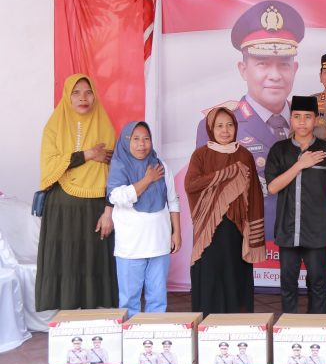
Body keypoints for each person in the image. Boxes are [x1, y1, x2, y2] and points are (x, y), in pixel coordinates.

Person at [195, 0, 305, 229]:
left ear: (294, 70)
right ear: (243, 70)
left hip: (301, 237)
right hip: (247, 238)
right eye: (263, 64)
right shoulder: (218, 125)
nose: (275, 75)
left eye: (284, 65)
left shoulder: (309, 120)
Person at [36, 74, 117, 311]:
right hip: (63, 207)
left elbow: (114, 172)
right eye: (76, 92)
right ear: (67, 97)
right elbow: (49, 165)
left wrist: (109, 211)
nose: (83, 98)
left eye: (88, 92)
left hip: (96, 206)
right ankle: (68, 319)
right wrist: (88, 154)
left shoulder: (104, 124)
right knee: (67, 259)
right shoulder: (54, 126)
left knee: (93, 260)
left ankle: (92, 319)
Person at [185, 107, 266, 315]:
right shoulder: (201, 154)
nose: (225, 130)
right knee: (210, 274)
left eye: (229, 125)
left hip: (236, 228)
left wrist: (253, 231)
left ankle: (235, 321)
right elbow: (191, 185)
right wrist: (228, 174)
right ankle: (207, 321)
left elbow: (255, 193)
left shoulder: (244, 155)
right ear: (211, 129)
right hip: (209, 229)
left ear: (236, 127)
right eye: (219, 126)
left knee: (234, 274)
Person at [265, 95, 326, 314]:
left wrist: (323, 218)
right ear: (290, 119)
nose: (302, 122)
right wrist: (300, 165)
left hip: (317, 232)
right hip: (288, 230)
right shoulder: (279, 150)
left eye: (307, 117)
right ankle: (289, 326)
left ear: (316, 119)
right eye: (297, 116)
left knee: (318, 284)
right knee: (288, 284)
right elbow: (272, 187)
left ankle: (318, 327)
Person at [107, 121, 181, 317]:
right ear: (126, 141)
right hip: (131, 246)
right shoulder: (119, 166)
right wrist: (147, 179)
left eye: (146, 139)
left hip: (159, 242)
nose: (142, 144)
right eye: (136, 139)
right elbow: (116, 197)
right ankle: (129, 335)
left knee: (157, 298)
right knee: (129, 300)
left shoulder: (160, 166)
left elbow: (172, 201)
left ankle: (153, 333)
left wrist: (176, 233)